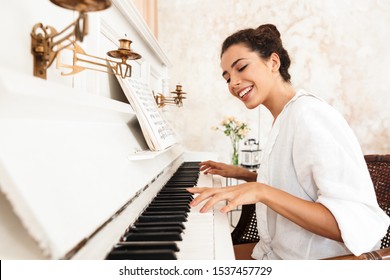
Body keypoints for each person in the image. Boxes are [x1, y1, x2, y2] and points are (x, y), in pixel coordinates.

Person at [187, 24, 390, 260]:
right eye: (227, 77)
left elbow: (354, 224)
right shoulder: (285, 117)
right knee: (197, 256)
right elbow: (301, 186)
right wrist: (246, 176)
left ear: (273, 62)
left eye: (241, 67)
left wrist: (260, 190)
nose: (233, 82)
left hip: (315, 262)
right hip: (275, 253)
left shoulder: (310, 115)